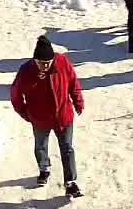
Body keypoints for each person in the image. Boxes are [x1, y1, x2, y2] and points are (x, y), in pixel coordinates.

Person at [9, 35, 84, 199]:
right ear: (34, 60)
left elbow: (73, 83)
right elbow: (15, 95)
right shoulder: (26, 71)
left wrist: (78, 102)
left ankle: (70, 183)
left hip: (63, 116)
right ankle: (44, 169)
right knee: (40, 147)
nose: (43, 66)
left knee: (67, 149)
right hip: (40, 119)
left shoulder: (63, 62)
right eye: (40, 63)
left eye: (47, 63)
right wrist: (26, 113)